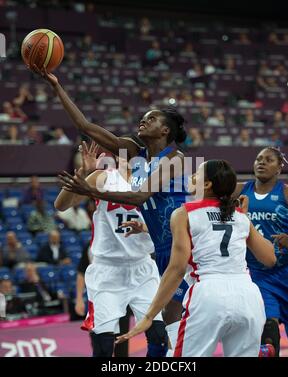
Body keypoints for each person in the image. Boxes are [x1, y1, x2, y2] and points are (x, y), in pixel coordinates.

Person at [33, 64, 189, 353]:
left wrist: (91, 190)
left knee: (167, 333)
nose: (142, 121)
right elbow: (86, 127)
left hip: (174, 252)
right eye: (142, 118)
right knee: (138, 338)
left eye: (150, 119)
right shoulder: (134, 151)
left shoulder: (175, 158)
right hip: (133, 259)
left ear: (166, 129)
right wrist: (56, 86)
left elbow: (142, 197)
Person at [116, 160, 276, 356]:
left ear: (207, 184)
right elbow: (269, 259)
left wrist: (149, 315)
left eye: (197, 174)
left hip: (209, 295)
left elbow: (177, 269)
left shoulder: (184, 213)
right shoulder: (240, 217)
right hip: (248, 297)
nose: (191, 177)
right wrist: (246, 219)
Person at [55, 141, 168, 357]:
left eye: (134, 153)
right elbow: (61, 205)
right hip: (108, 270)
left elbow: (167, 222)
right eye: (122, 152)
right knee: (104, 347)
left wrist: (144, 227)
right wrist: (84, 173)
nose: (128, 157)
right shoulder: (104, 177)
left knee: (158, 336)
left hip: (142, 267)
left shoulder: (155, 183)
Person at [233, 147, 288, 356]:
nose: (261, 162)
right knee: (267, 327)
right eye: (258, 159)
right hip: (257, 275)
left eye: (269, 160)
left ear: (279, 168)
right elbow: (204, 197)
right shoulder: (239, 190)